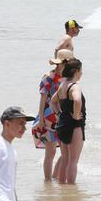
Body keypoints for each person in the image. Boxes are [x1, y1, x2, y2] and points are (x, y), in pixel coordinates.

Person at [32, 49, 73, 181]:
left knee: (66, 151)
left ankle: (55, 176)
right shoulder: (48, 77)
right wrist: (41, 119)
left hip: (63, 117)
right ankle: (48, 182)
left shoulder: (68, 78)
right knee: (51, 152)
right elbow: (42, 100)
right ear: (61, 63)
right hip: (49, 118)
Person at [50, 59, 86, 184]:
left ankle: (62, 188)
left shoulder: (62, 85)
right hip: (74, 126)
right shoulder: (75, 86)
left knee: (65, 159)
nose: (82, 73)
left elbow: (52, 101)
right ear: (76, 71)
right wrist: (76, 116)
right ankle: (70, 189)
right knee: (73, 161)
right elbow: (77, 100)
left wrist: (59, 114)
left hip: (62, 125)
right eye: (81, 70)